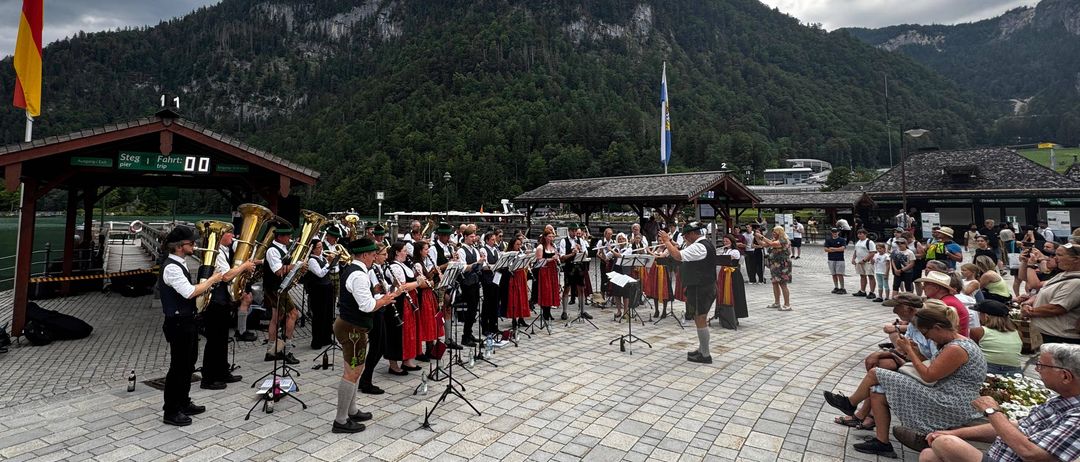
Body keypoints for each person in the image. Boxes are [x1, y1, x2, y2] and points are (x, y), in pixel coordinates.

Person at [825, 302, 986, 457]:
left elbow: (928, 375)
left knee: (876, 373)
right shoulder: (953, 343)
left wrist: (910, 350)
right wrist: (913, 353)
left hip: (950, 402)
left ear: (937, 328)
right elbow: (931, 368)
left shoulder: (956, 348)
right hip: (946, 395)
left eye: (927, 334)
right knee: (878, 391)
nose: (929, 339)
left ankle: (850, 404)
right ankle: (882, 443)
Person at [919, 343, 1080, 462]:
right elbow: (1016, 427)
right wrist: (955, 432)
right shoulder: (1061, 401)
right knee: (929, 455)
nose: (1037, 370)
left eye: (1041, 366)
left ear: (1065, 376)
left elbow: (1032, 453)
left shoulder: (1076, 415)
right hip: (997, 455)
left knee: (945, 444)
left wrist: (992, 412)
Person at [332, 238, 402, 433]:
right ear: (364, 255)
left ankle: (351, 410)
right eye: (373, 254)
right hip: (353, 329)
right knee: (352, 372)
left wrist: (376, 292)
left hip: (351, 326)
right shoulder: (360, 275)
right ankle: (341, 420)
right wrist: (386, 299)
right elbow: (368, 306)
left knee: (355, 370)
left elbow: (362, 297)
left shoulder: (354, 270)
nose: (375, 258)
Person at [159, 226, 225, 426]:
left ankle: (183, 402)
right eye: (191, 243)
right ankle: (171, 410)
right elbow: (188, 292)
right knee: (178, 367)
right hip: (178, 322)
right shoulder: (171, 267)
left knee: (188, 364)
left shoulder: (180, 263)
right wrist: (212, 280)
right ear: (180, 247)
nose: (195, 246)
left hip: (187, 321)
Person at [199, 230, 258, 391]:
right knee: (214, 340)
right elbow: (226, 276)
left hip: (224, 300)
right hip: (215, 301)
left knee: (222, 338)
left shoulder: (227, 250)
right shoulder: (216, 253)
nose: (233, 236)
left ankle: (222, 371)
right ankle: (208, 378)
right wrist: (244, 266)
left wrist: (248, 267)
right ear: (221, 236)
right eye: (229, 233)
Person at [659, 222, 715, 364]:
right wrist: (671, 243)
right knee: (698, 318)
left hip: (701, 287)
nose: (684, 239)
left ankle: (706, 354)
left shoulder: (699, 246)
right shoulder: (702, 244)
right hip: (700, 286)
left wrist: (666, 241)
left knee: (701, 319)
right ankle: (702, 349)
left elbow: (678, 256)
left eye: (685, 236)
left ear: (691, 234)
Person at [1022, 242, 1080, 344]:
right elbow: (1042, 289)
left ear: (1076, 259)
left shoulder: (1076, 283)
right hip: (1052, 336)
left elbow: (1057, 308)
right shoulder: (1064, 274)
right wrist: (1028, 302)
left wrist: (1030, 312)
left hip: (1061, 339)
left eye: (1059, 255)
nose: (1055, 258)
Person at [263, 227, 300, 365]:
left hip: (278, 287)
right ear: (279, 237)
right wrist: (296, 266)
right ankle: (287, 350)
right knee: (293, 314)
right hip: (275, 288)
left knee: (276, 316)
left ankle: (271, 351)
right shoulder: (273, 250)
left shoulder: (282, 248)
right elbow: (279, 271)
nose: (289, 238)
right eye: (287, 236)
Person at [386, 242, 423, 374]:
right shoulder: (394, 267)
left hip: (408, 301)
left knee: (409, 332)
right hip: (400, 302)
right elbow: (403, 286)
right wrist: (418, 282)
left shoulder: (403, 265)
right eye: (404, 251)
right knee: (397, 333)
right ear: (397, 252)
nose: (406, 253)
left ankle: (407, 360)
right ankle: (393, 364)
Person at [358, 243, 390, 395]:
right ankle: (366, 381)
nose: (386, 257)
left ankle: (366, 378)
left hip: (381, 307)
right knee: (377, 346)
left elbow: (384, 288)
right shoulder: (371, 271)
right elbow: (372, 294)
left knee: (381, 346)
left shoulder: (378, 269)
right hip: (375, 310)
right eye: (384, 254)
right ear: (375, 255)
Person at [968, 300, 1022, 376]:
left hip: (988, 368)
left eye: (980, 314)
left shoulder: (979, 331)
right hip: (1014, 370)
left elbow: (972, 354)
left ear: (986, 316)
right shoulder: (1017, 333)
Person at [916, 271, 971, 337]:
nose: (923, 287)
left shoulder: (944, 303)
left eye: (925, 284)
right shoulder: (948, 300)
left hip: (952, 342)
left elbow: (928, 327)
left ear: (936, 288)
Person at [304, 239, 335, 350]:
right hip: (318, 290)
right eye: (318, 247)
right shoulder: (311, 260)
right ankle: (317, 341)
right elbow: (320, 274)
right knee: (319, 315)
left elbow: (329, 271)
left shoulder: (321, 257)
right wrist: (329, 263)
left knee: (328, 314)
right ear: (312, 249)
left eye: (321, 246)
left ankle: (326, 338)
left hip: (327, 288)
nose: (321, 249)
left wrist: (331, 263)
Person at [557, 224, 591, 320]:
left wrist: (580, 250)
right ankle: (564, 311)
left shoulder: (580, 240)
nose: (575, 233)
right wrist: (572, 254)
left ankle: (582, 311)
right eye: (573, 230)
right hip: (569, 267)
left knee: (581, 288)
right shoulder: (564, 241)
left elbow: (586, 253)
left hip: (579, 267)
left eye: (576, 230)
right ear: (569, 231)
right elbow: (562, 256)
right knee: (567, 288)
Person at [714, 234, 747, 329]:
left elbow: (727, 259)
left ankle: (734, 316)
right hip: (724, 274)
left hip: (733, 275)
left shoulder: (735, 251)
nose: (725, 243)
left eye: (727, 241)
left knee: (734, 293)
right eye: (724, 241)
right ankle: (723, 315)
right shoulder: (725, 250)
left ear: (732, 242)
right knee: (723, 293)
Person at [760, 225, 792, 311]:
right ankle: (777, 303)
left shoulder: (784, 240)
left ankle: (787, 304)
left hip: (782, 264)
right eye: (773, 232)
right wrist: (756, 236)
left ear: (780, 233)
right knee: (774, 282)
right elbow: (763, 244)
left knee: (782, 284)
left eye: (775, 232)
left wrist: (762, 237)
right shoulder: (774, 239)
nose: (773, 233)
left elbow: (771, 244)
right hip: (774, 264)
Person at [504, 237, 531, 329]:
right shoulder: (509, 254)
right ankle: (514, 319)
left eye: (520, 244)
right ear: (512, 245)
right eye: (517, 244)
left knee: (522, 296)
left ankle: (521, 317)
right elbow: (508, 266)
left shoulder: (521, 252)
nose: (519, 246)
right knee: (514, 298)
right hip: (513, 276)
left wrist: (527, 257)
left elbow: (525, 265)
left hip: (521, 276)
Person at [534, 231, 561, 322]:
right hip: (545, 271)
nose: (551, 238)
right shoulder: (540, 247)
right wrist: (550, 259)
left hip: (552, 270)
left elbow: (556, 257)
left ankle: (548, 312)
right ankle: (545, 312)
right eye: (549, 236)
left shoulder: (553, 246)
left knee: (552, 290)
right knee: (546, 291)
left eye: (552, 237)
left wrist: (557, 258)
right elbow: (539, 261)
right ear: (545, 237)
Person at [851, 229, 877, 300]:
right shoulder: (858, 242)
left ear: (865, 234)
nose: (859, 235)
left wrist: (864, 260)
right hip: (859, 261)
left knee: (870, 276)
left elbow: (872, 252)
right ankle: (862, 291)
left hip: (867, 262)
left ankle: (872, 292)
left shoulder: (869, 242)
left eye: (861, 234)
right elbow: (856, 251)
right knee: (862, 276)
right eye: (858, 234)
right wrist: (853, 259)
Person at [825, 228, 848, 294]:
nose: (835, 233)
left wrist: (832, 248)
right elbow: (826, 249)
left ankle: (842, 288)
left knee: (840, 274)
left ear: (838, 232)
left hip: (840, 259)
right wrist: (837, 249)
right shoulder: (828, 240)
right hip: (831, 259)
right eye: (833, 232)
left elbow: (842, 248)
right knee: (833, 274)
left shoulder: (842, 240)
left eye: (836, 232)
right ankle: (836, 287)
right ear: (831, 232)